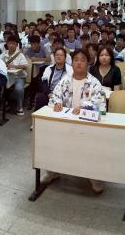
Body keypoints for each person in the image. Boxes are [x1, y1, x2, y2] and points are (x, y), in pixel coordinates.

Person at [45, 49, 107, 194]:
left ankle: (94, 177)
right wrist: (57, 103)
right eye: (76, 60)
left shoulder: (94, 83)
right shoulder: (65, 80)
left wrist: (84, 107)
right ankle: (53, 171)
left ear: (88, 63)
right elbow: (55, 95)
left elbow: (100, 105)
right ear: (71, 63)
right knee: (50, 140)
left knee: (91, 147)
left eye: (83, 60)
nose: (79, 63)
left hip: (87, 126)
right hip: (66, 123)